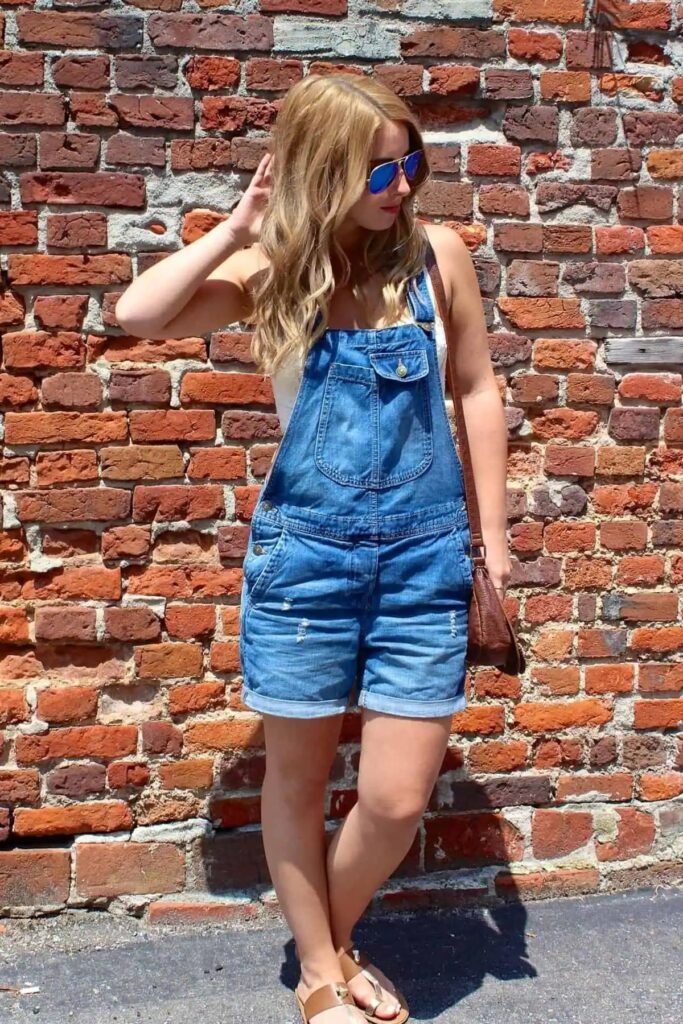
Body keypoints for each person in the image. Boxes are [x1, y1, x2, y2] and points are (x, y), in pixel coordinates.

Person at [115, 74, 511, 1024]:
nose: (402, 186)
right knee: (294, 783)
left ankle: (327, 943)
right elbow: (140, 315)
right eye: (379, 170)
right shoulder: (275, 273)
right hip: (305, 562)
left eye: (411, 164)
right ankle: (323, 974)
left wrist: (492, 546)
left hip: (424, 561)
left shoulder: (435, 258)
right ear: (323, 171)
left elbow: (476, 389)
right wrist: (236, 229)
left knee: (395, 797)